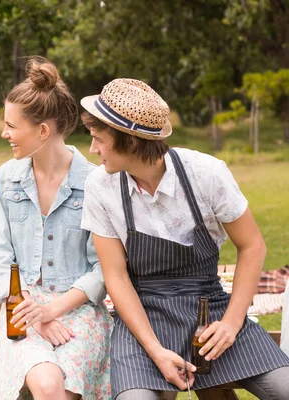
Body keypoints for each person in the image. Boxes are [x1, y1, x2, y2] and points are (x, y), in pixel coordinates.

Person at [79, 78, 289, 399]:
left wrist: (231, 324)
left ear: (131, 142)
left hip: (212, 311)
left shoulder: (206, 173)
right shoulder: (100, 186)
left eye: (99, 140)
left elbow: (252, 246)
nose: (93, 150)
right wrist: (155, 350)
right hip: (143, 321)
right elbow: (116, 277)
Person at [0, 58, 112, 400]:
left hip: (80, 310)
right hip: (21, 308)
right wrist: (33, 312)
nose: (4, 133)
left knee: (62, 390)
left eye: (12, 126)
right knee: (48, 384)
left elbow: (104, 268)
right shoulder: (6, 178)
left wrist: (53, 311)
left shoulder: (95, 183)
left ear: (42, 131)